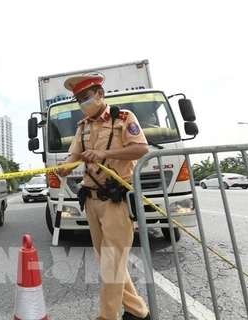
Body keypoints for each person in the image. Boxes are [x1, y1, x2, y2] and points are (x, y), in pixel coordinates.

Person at [57, 75, 151, 320]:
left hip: (116, 199)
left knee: (112, 262)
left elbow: (141, 149)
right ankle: (138, 311)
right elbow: (74, 155)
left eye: (85, 98)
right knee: (109, 262)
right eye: (78, 100)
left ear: (100, 94)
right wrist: (66, 166)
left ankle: (107, 316)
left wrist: (104, 153)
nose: (82, 103)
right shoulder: (83, 126)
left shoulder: (124, 118)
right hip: (91, 199)